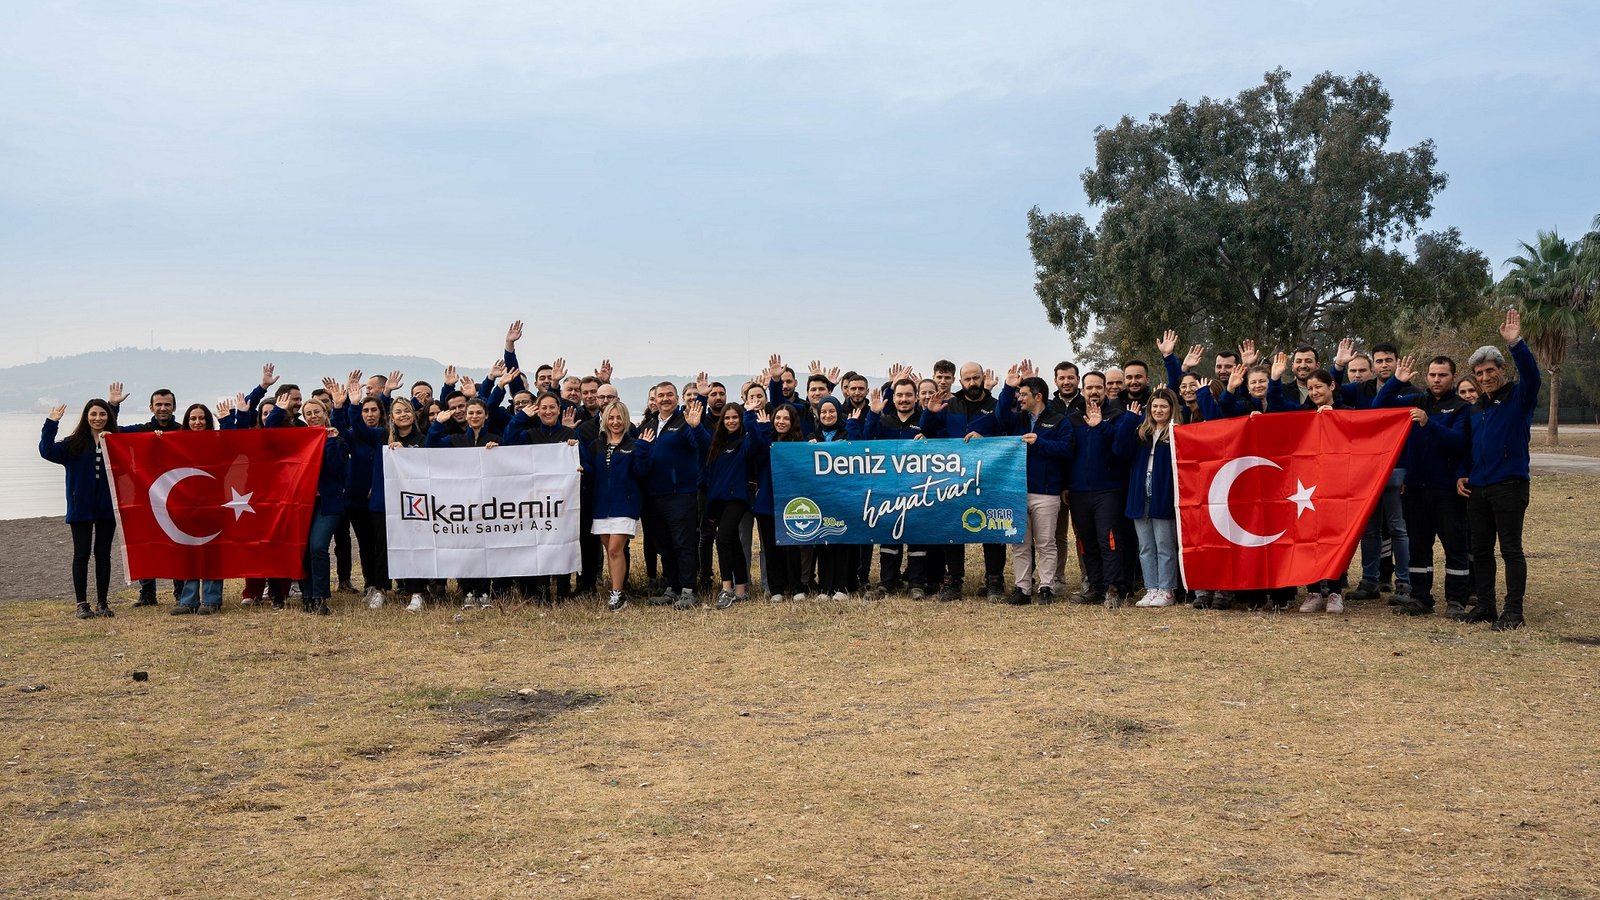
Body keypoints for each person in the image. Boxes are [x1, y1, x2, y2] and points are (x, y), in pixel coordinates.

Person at [1459, 309, 1540, 631]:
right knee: (1480, 550)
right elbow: (1469, 446)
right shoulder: (1477, 408)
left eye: (1490, 370)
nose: (1485, 377)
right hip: (1478, 487)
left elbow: (1533, 376)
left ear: (1502, 369)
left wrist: (1516, 343)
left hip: (1509, 485)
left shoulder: (1519, 397)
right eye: (1479, 373)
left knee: (1510, 549)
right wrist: (1463, 474)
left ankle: (1514, 612)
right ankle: (1486, 606)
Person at [1374, 355, 1474, 618]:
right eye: (1432, 375)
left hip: (1447, 490)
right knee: (1419, 546)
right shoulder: (1418, 399)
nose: (1436, 380)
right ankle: (1420, 598)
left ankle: (1456, 600)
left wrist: (1429, 423)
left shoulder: (1462, 407)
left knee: (1455, 547)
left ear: (1453, 376)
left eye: (1442, 375)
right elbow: (1379, 406)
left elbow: (1460, 442)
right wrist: (1396, 381)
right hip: (1415, 488)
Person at [920, 361, 1004, 600]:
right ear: (961, 380)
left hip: (988, 478)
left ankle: (995, 582)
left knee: (992, 529)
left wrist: (984, 439)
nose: (972, 383)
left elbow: (1007, 434)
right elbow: (928, 431)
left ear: (982, 377)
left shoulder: (995, 406)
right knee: (954, 528)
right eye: (967, 379)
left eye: (976, 378)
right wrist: (929, 411)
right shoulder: (950, 404)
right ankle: (953, 581)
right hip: (954, 479)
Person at [995, 366, 1074, 605]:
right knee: (1019, 543)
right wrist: (1008, 387)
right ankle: (1022, 588)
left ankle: (1046, 587)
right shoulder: (1017, 419)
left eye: (1023, 395)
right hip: (1017, 491)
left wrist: (1039, 443)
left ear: (1037, 397)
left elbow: (1067, 450)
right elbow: (1000, 416)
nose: (1019, 399)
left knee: (1046, 543)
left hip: (1046, 492)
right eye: (1018, 395)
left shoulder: (1060, 421)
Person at [40, 397, 119, 619]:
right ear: (86, 417)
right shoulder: (73, 443)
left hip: (106, 508)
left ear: (108, 417)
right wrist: (51, 423)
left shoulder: (115, 441)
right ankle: (82, 604)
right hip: (80, 508)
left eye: (103, 414)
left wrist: (116, 439)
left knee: (103, 555)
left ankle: (103, 602)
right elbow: (47, 451)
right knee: (81, 555)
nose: (98, 418)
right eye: (93, 414)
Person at [641, 383, 708, 608]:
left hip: (680, 495)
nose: (665, 398)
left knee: (683, 543)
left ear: (677, 397)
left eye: (670, 394)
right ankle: (672, 588)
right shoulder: (649, 424)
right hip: (654, 496)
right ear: (655, 399)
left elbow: (704, 447)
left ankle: (689, 590)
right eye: (661, 395)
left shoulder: (685, 421)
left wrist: (696, 427)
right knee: (664, 545)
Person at [1112, 389, 1181, 607]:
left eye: (1163, 406)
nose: (1158, 410)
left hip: (1164, 492)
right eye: (1154, 406)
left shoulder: (1177, 433)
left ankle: (1167, 590)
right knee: (1145, 546)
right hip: (1139, 492)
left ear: (1171, 409)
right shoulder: (1141, 433)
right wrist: (1129, 420)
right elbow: (1119, 450)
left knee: (1165, 544)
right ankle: (1151, 588)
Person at [1066, 373, 1129, 607]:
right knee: (1086, 540)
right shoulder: (1072, 419)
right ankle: (1095, 586)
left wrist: (1101, 425)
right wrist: (1065, 486)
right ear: (1082, 390)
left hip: (1108, 490)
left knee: (1109, 539)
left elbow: (1123, 448)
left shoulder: (1116, 416)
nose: (1094, 392)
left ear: (1105, 390)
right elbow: (1067, 454)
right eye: (1089, 387)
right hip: (1078, 491)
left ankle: (1114, 587)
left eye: (1098, 388)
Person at [583, 401, 652, 612]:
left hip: (625, 505)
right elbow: (591, 472)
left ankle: (617, 593)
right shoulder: (596, 445)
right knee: (610, 550)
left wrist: (643, 449)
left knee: (615, 549)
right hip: (601, 506)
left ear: (626, 419)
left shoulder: (634, 444)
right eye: (611, 418)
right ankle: (617, 590)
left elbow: (642, 472)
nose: (615, 422)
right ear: (605, 420)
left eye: (619, 418)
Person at [168, 402, 228, 616]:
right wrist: (157, 438)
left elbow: (235, 441)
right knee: (189, 553)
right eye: (193, 418)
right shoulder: (177, 443)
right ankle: (188, 600)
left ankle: (212, 600)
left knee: (212, 553)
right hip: (186, 506)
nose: (197, 422)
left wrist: (226, 420)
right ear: (187, 421)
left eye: (201, 418)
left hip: (213, 504)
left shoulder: (218, 441)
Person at [702, 402, 757, 610]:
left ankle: (727, 588)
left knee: (722, 539)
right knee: (732, 542)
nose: (731, 421)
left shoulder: (745, 442)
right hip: (718, 500)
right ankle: (741, 589)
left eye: (735, 417)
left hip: (738, 499)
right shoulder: (717, 444)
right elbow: (699, 438)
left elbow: (756, 441)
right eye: (727, 418)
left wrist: (750, 414)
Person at [750, 403, 807, 601]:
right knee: (770, 547)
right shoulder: (766, 439)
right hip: (767, 502)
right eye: (778, 418)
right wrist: (763, 428)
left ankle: (796, 587)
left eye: (786, 419)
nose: (781, 422)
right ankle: (776, 589)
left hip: (790, 503)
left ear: (792, 422)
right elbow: (758, 451)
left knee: (791, 547)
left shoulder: (799, 444)